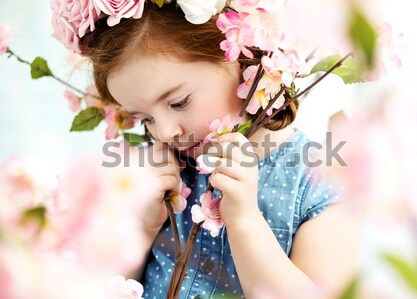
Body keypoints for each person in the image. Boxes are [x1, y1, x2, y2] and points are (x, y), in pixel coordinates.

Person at [78, 2, 364, 298]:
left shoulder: (322, 178)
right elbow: (92, 286)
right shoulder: (152, 178)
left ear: (245, 62)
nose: (163, 132)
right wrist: (143, 226)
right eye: (145, 118)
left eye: (179, 102)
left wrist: (244, 221)